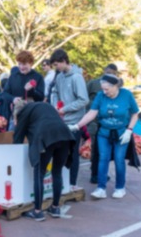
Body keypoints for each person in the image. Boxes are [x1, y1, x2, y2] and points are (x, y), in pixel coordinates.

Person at [69, 74, 139, 199]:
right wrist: (77, 126)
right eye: (103, 89)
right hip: (104, 133)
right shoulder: (100, 96)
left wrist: (129, 130)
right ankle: (101, 188)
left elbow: (135, 114)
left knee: (119, 159)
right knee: (103, 158)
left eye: (107, 89)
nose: (104, 92)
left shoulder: (126, 95)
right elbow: (92, 113)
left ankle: (120, 187)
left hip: (122, 133)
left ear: (115, 86)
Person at [13, 100, 75, 221]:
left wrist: (14, 150)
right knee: (57, 173)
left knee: (39, 173)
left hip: (46, 138)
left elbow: (18, 135)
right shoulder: (44, 106)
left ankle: (37, 211)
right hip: (65, 136)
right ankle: (55, 207)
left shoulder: (24, 111)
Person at [50, 48, 89, 190]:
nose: (56, 68)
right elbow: (54, 92)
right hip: (61, 121)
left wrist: (65, 109)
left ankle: (72, 183)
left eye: (57, 65)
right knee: (61, 153)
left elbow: (83, 100)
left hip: (75, 122)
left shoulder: (77, 77)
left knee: (73, 154)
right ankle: (61, 183)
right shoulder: (59, 76)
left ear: (64, 61)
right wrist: (55, 105)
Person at [86, 63, 118, 184]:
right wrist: (94, 106)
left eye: (113, 74)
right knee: (97, 148)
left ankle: (100, 172)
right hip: (94, 122)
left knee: (106, 149)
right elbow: (83, 97)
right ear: (104, 71)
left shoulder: (115, 86)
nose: (110, 75)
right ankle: (95, 174)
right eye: (108, 72)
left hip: (108, 123)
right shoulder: (94, 83)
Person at [3, 50, 45, 130]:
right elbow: (5, 94)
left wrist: (32, 91)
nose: (21, 67)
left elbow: (41, 97)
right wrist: (13, 99)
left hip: (33, 116)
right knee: (13, 139)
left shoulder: (38, 77)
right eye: (19, 64)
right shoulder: (13, 77)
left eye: (24, 64)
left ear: (31, 63)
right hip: (16, 115)